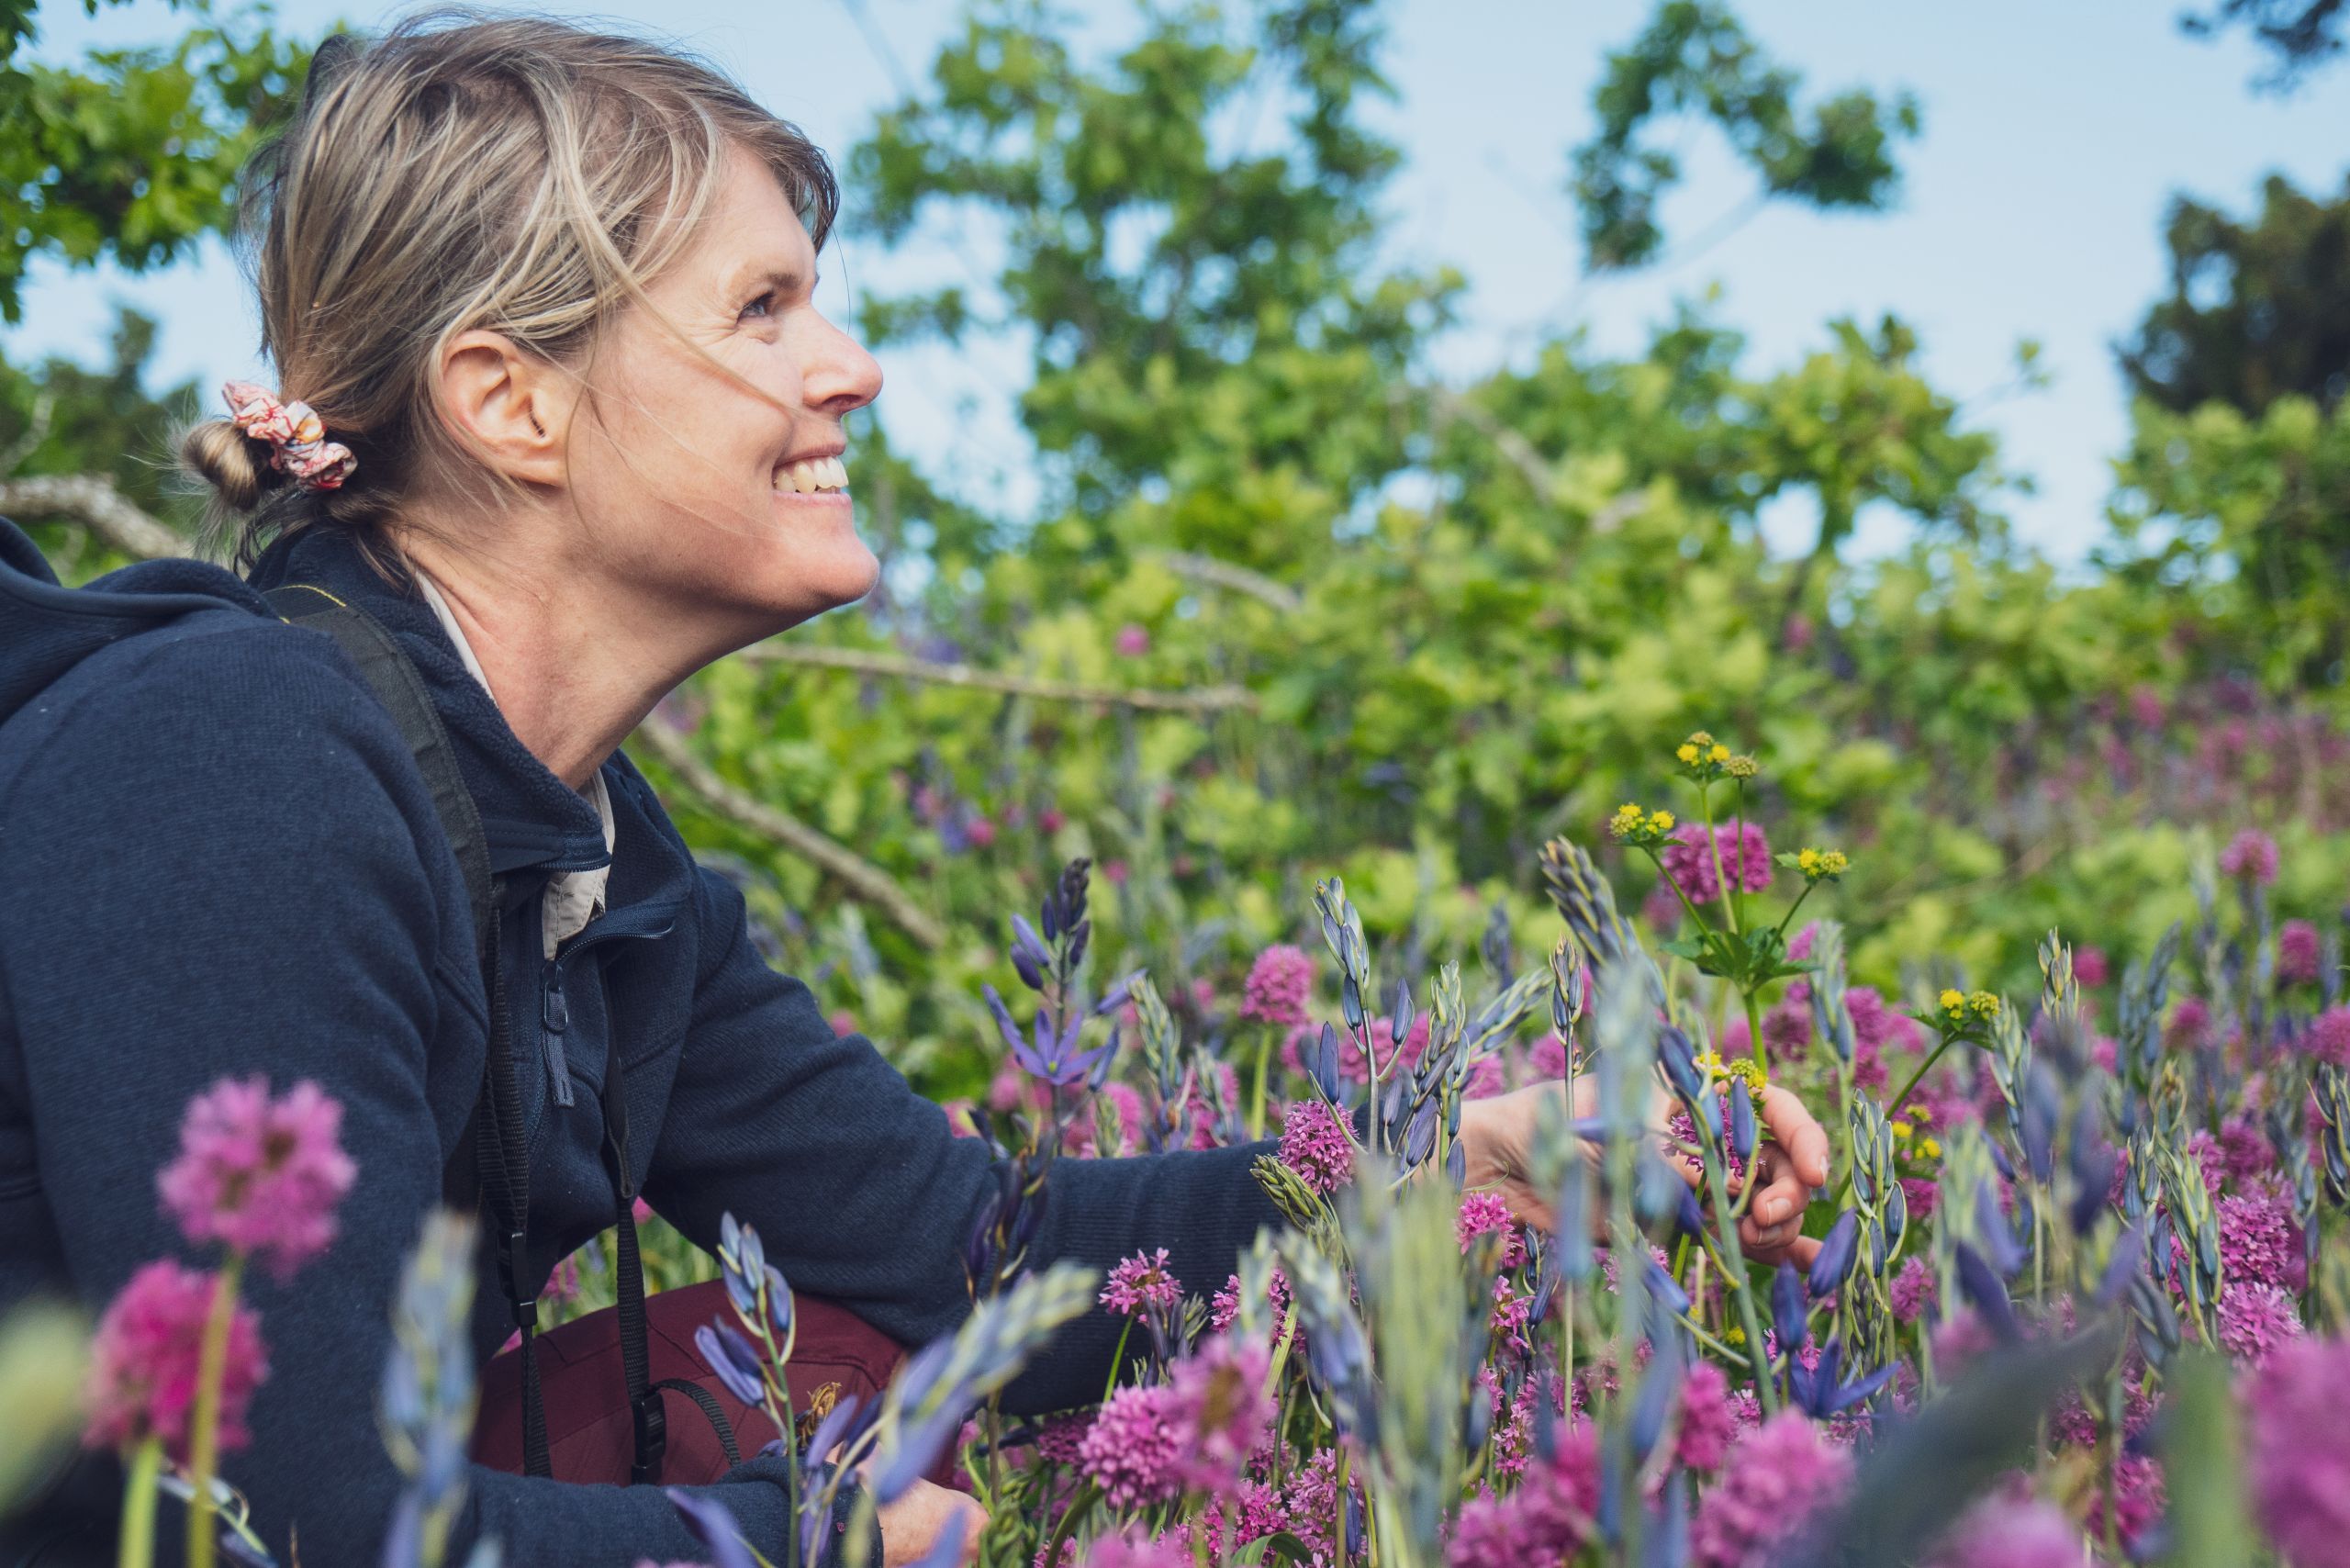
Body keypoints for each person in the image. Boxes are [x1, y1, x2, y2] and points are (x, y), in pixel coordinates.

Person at [0, 13, 1829, 1566]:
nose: (847, 367)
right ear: (511, 402)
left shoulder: (595, 857)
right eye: (764, 305)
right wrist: (781, 1531)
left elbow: (980, 1260)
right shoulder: (236, 764)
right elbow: (296, 1517)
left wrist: (1456, 1156)